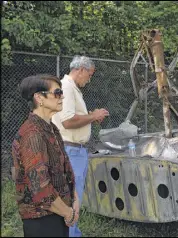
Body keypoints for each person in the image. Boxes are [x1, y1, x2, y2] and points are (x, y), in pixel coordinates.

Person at [12, 74, 79, 237]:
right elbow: (41, 189)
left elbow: (65, 169)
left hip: (58, 213)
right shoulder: (32, 134)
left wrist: (74, 200)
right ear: (39, 98)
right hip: (41, 219)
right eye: (57, 93)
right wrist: (68, 213)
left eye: (61, 92)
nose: (62, 97)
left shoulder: (51, 128)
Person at [52, 55, 109, 237]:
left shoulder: (71, 88)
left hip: (75, 150)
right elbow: (68, 121)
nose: (89, 79)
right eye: (89, 75)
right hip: (70, 150)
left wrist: (90, 116)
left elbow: (72, 117)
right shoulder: (66, 88)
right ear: (81, 70)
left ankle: (73, 232)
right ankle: (70, 234)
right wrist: (93, 116)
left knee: (73, 195)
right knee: (71, 197)